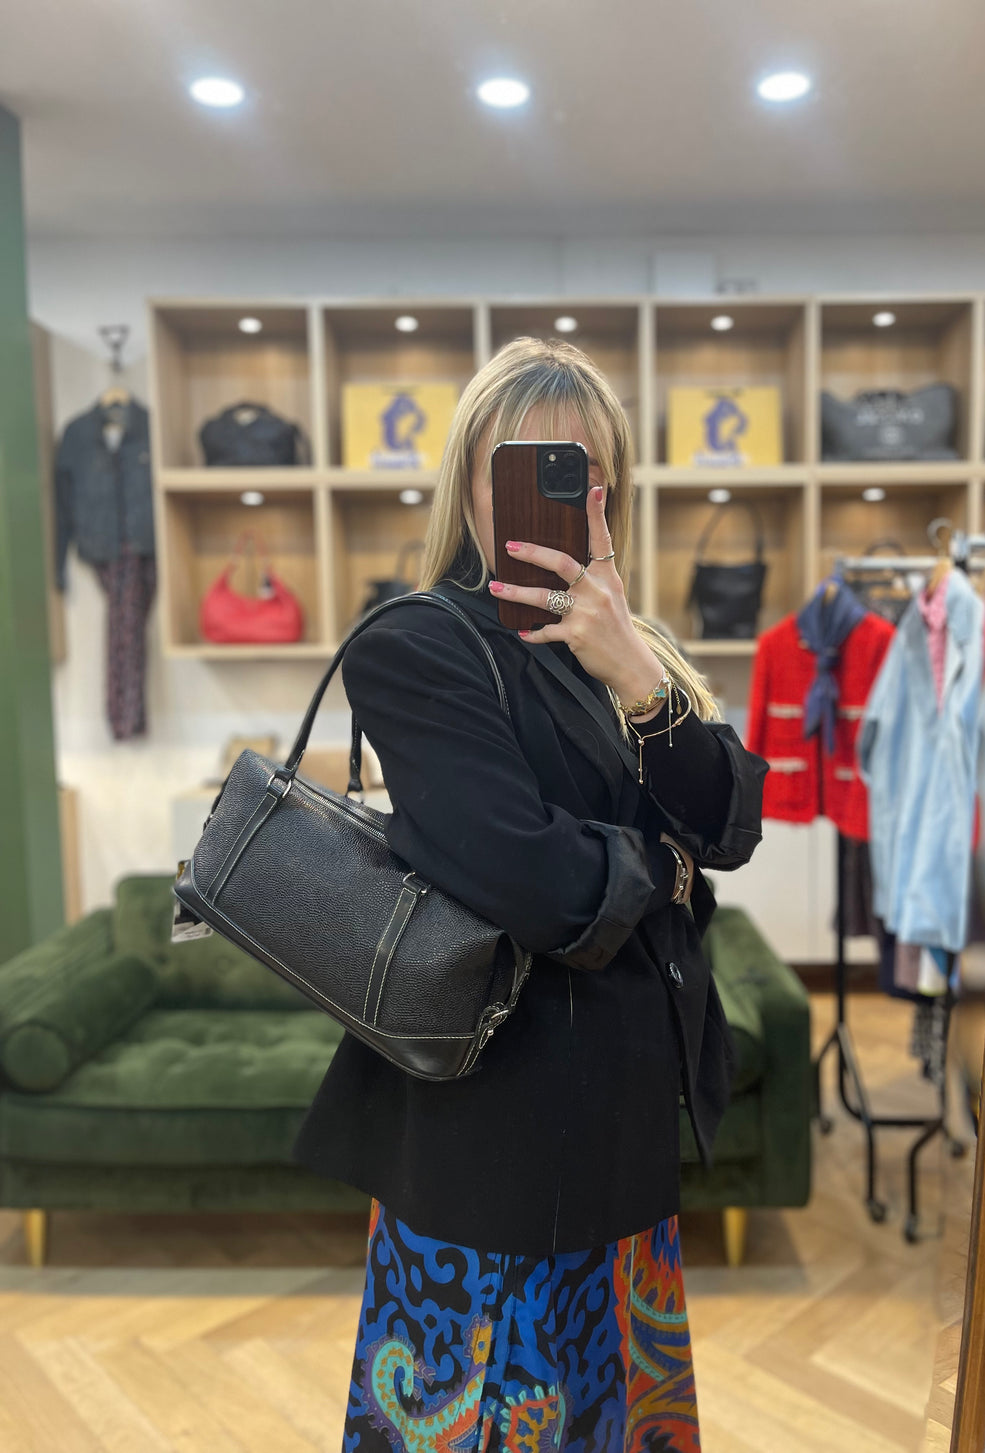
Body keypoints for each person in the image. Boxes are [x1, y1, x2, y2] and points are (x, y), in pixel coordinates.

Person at [290, 336, 768, 1451]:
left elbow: (731, 821)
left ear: (613, 495)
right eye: (523, 468)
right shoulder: (419, 643)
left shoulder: (627, 651)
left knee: (611, 1407)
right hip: (490, 1130)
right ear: (469, 483)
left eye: (583, 474)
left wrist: (637, 675)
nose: (558, 499)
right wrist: (664, 865)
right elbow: (535, 881)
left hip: (624, 1111)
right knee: (479, 1410)